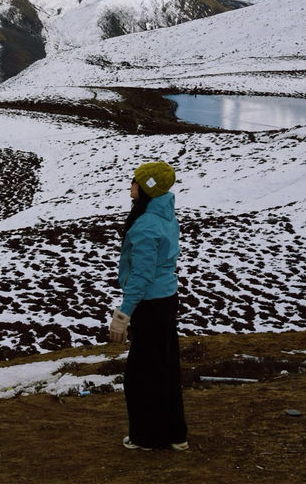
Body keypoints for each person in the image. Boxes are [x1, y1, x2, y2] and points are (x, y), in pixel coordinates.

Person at [109, 160, 188, 452]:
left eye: (135, 181)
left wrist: (123, 314)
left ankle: (147, 437)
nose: (131, 185)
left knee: (141, 375)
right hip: (166, 298)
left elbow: (141, 276)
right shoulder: (165, 214)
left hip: (150, 304)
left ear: (146, 187)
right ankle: (175, 434)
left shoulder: (145, 224)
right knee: (165, 369)